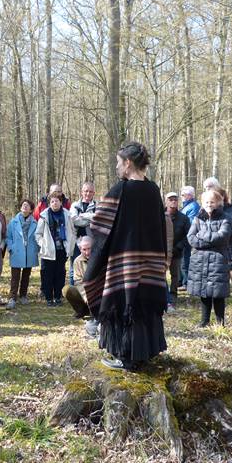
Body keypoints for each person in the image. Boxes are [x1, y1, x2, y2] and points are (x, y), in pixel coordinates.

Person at [84, 142, 168, 370]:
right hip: (150, 262)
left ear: (128, 163)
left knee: (123, 304)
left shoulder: (121, 190)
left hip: (124, 262)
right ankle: (145, 354)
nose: (117, 167)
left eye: (119, 163)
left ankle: (126, 357)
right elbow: (162, 227)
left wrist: (94, 254)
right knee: (143, 304)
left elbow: (98, 225)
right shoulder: (153, 190)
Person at [187, 190, 232, 327]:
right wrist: (208, 240)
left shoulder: (225, 218)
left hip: (218, 260)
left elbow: (222, 236)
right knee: (204, 292)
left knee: (218, 292)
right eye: (206, 202)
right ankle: (204, 321)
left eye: (212, 202)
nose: (209, 204)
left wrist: (202, 235)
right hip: (200, 260)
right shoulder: (197, 218)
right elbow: (191, 238)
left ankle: (220, 322)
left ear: (218, 203)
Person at [35, 191, 75, 306]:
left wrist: (71, 244)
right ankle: (49, 298)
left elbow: (72, 231)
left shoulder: (67, 215)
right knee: (48, 275)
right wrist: (43, 245)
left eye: (56, 201)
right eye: (52, 201)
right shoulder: (44, 215)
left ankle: (58, 297)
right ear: (49, 203)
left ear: (61, 202)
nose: (54, 203)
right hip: (48, 251)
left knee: (60, 274)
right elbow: (38, 234)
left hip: (62, 249)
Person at [5, 199, 39, 310]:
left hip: (29, 252)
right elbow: (8, 237)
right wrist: (11, 248)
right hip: (17, 252)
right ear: (20, 207)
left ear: (31, 209)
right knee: (15, 276)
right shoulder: (13, 222)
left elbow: (38, 237)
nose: (25, 207)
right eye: (23, 205)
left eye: (27, 205)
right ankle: (12, 297)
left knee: (26, 276)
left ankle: (23, 295)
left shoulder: (35, 223)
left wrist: (36, 249)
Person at [163, 192, 190, 310]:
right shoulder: (159, 215)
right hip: (162, 251)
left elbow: (188, 235)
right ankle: (163, 295)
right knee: (161, 274)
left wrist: (179, 246)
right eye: (170, 199)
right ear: (166, 201)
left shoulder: (183, 218)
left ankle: (173, 295)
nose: (173, 201)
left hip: (177, 251)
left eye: (175, 199)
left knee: (175, 275)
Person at [68, 182, 96, 284]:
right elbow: (74, 219)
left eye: (90, 191)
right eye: (86, 191)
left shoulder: (97, 205)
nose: (88, 193)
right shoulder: (75, 205)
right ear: (81, 192)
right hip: (76, 241)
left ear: (94, 193)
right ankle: (73, 292)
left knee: (91, 266)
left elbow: (97, 218)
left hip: (92, 241)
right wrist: (89, 217)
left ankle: (89, 291)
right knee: (73, 266)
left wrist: (82, 215)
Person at [62, 235, 92, 319]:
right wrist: (86, 297)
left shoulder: (101, 258)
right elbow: (78, 282)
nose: (87, 252)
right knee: (67, 289)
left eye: (89, 248)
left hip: (100, 291)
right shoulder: (77, 261)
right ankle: (82, 310)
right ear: (80, 249)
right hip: (86, 292)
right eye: (84, 249)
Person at [179, 185, 200, 287]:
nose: (182, 196)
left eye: (184, 194)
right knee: (181, 259)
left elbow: (190, 223)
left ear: (190, 195)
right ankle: (181, 280)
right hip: (181, 236)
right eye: (181, 194)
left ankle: (186, 282)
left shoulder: (194, 206)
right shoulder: (186, 206)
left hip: (187, 236)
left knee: (185, 259)